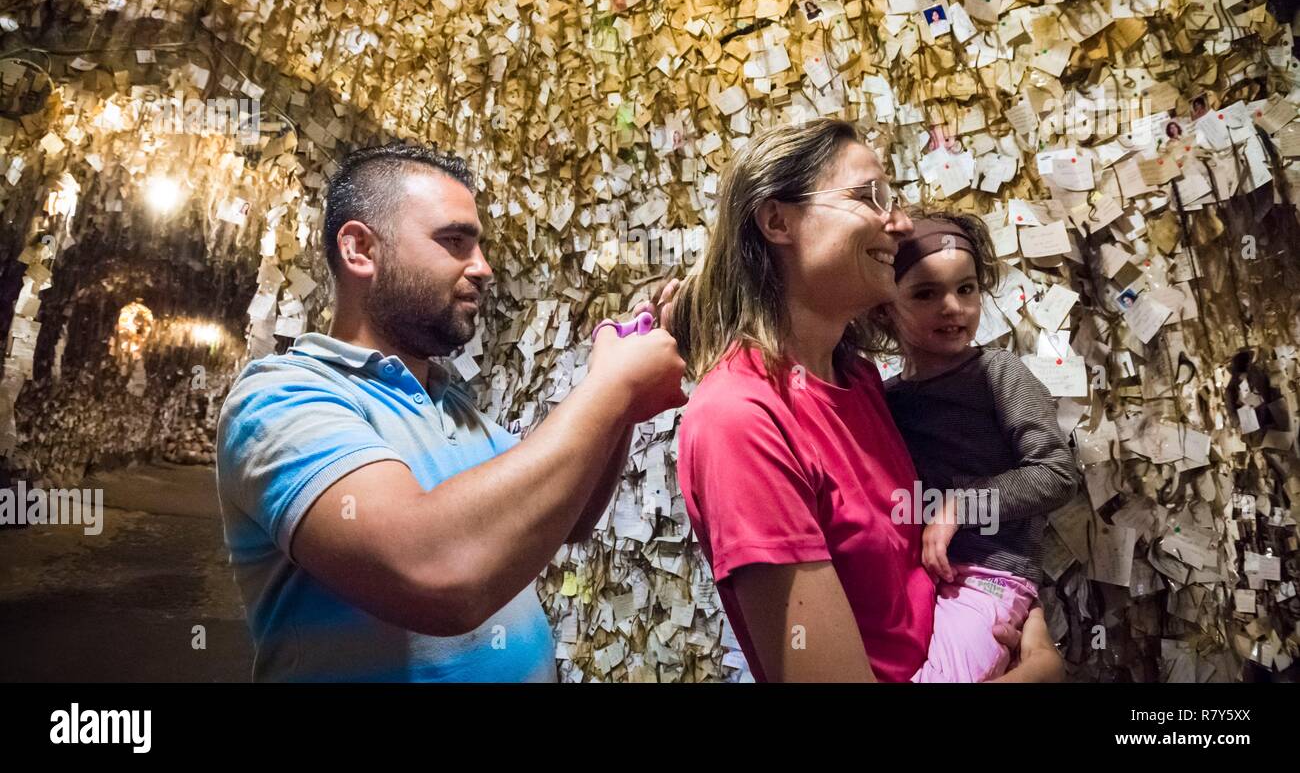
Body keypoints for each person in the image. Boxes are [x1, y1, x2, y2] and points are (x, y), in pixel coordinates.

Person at [216, 142, 686, 681]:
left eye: (479, 246)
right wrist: (613, 386)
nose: (483, 269)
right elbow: (433, 572)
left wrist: (623, 399)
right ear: (360, 250)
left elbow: (568, 514)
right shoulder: (282, 397)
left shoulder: (453, 404)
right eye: (454, 242)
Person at [670, 117, 1065, 682]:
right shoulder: (742, 421)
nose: (900, 224)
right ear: (778, 219)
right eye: (870, 196)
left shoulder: (857, 381)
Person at [876, 211, 1079, 682]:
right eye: (927, 293)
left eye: (966, 289)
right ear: (886, 308)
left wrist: (959, 506)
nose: (953, 307)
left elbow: (1056, 474)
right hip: (916, 583)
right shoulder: (886, 398)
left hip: (990, 578)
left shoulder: (998, 372)